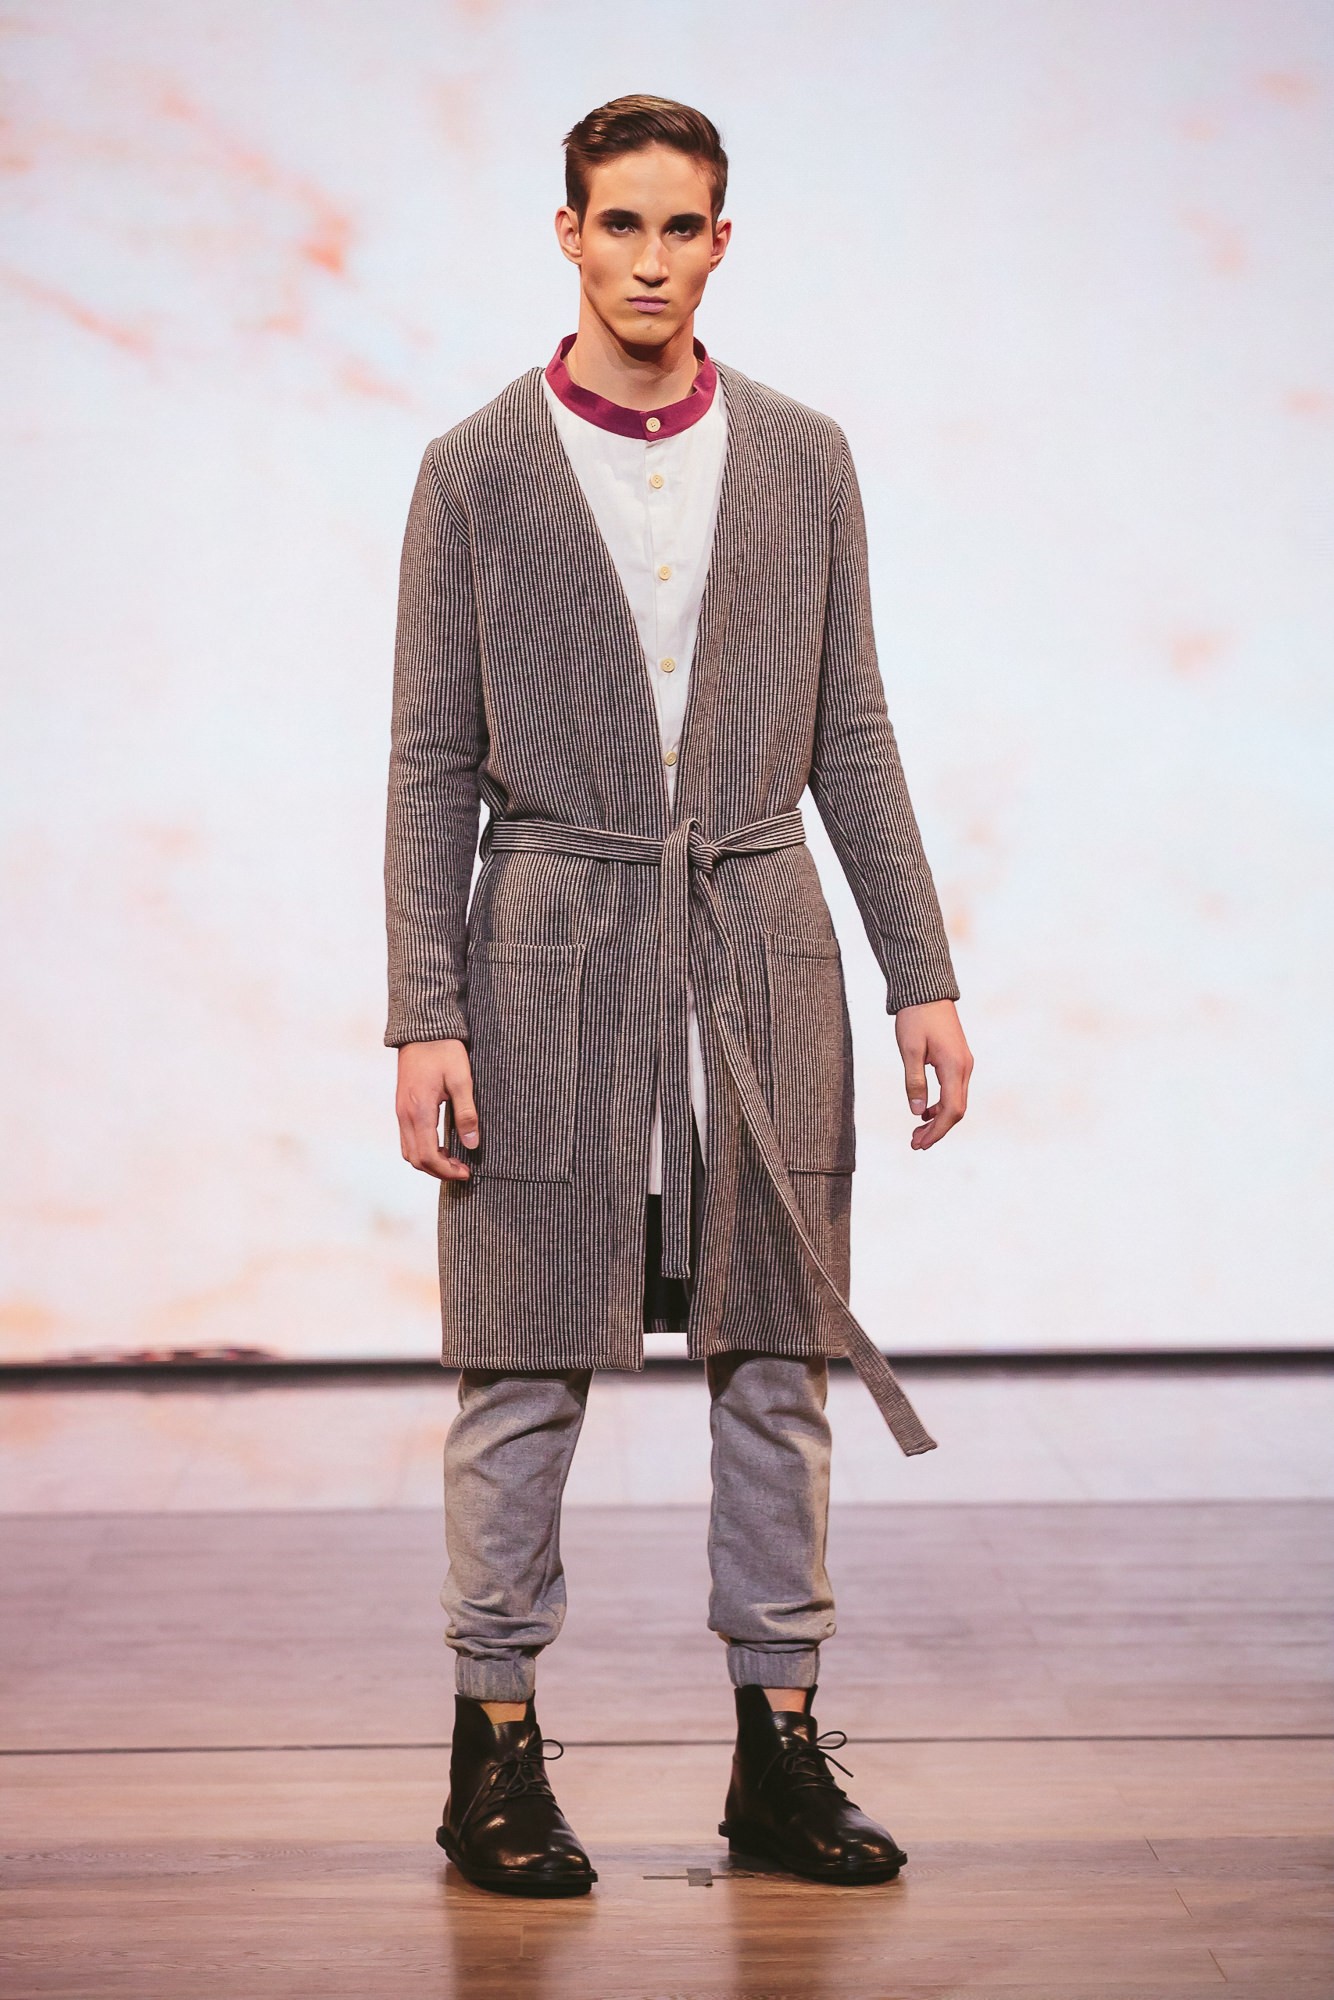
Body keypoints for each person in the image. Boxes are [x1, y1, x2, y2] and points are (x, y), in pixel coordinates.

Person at [385, 93, 972, 1899]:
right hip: (544, 952)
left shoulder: (801, 457)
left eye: (680, 227)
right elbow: (429, 761)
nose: (649, 259)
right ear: (566, 231)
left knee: (775, 1361)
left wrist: (920, 974)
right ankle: (493, 1753)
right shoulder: (476, 469)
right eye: (618, 223)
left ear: (722, 241)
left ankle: (776, 1755)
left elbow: (850, 730)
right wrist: (423, 1011)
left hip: (756, 940)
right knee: (519, 1364)